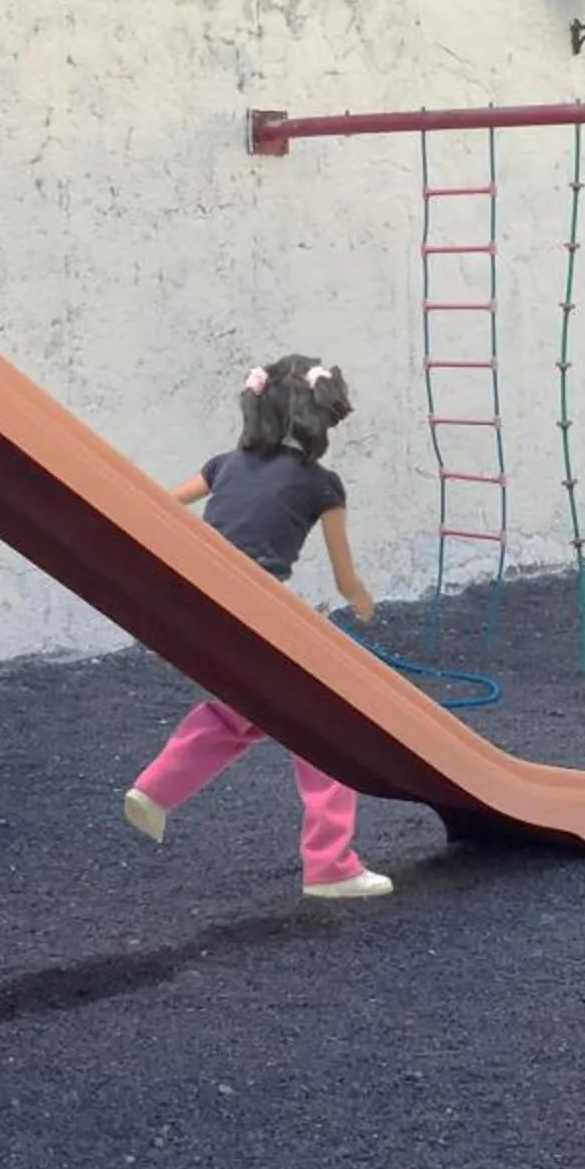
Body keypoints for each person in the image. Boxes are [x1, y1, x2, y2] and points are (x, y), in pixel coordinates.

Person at [124, 355, 393, 901]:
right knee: (326, 725)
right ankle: (330, 865)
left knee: (241, 712)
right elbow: (343, 574)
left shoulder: (224, 464)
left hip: (197, 608)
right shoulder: (323, 485)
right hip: (254, 611)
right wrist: (360, 600)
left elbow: (163, 506)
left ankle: (154, 790)